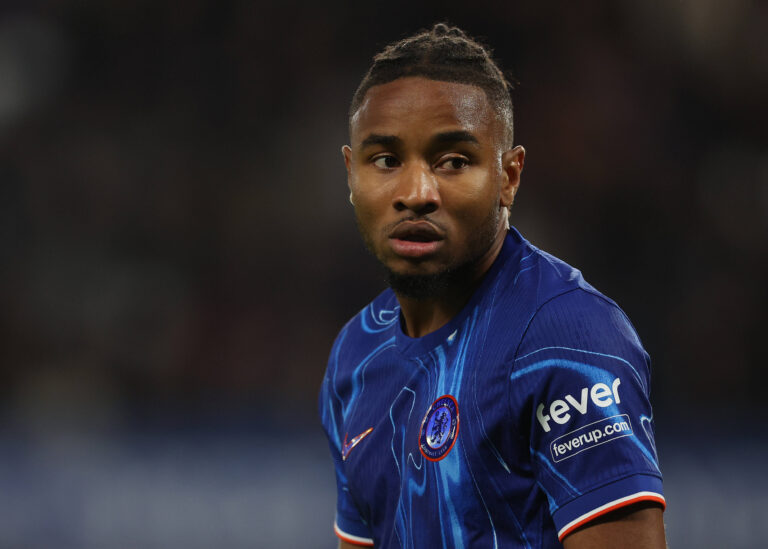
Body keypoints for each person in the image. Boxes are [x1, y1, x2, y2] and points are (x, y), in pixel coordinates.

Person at [319, 23, 666, 549]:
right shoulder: (354, 356)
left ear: (509, 175)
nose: (416, 192)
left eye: (453, 161)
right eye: (386, 160)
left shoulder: (568, 338)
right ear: (351, 174)